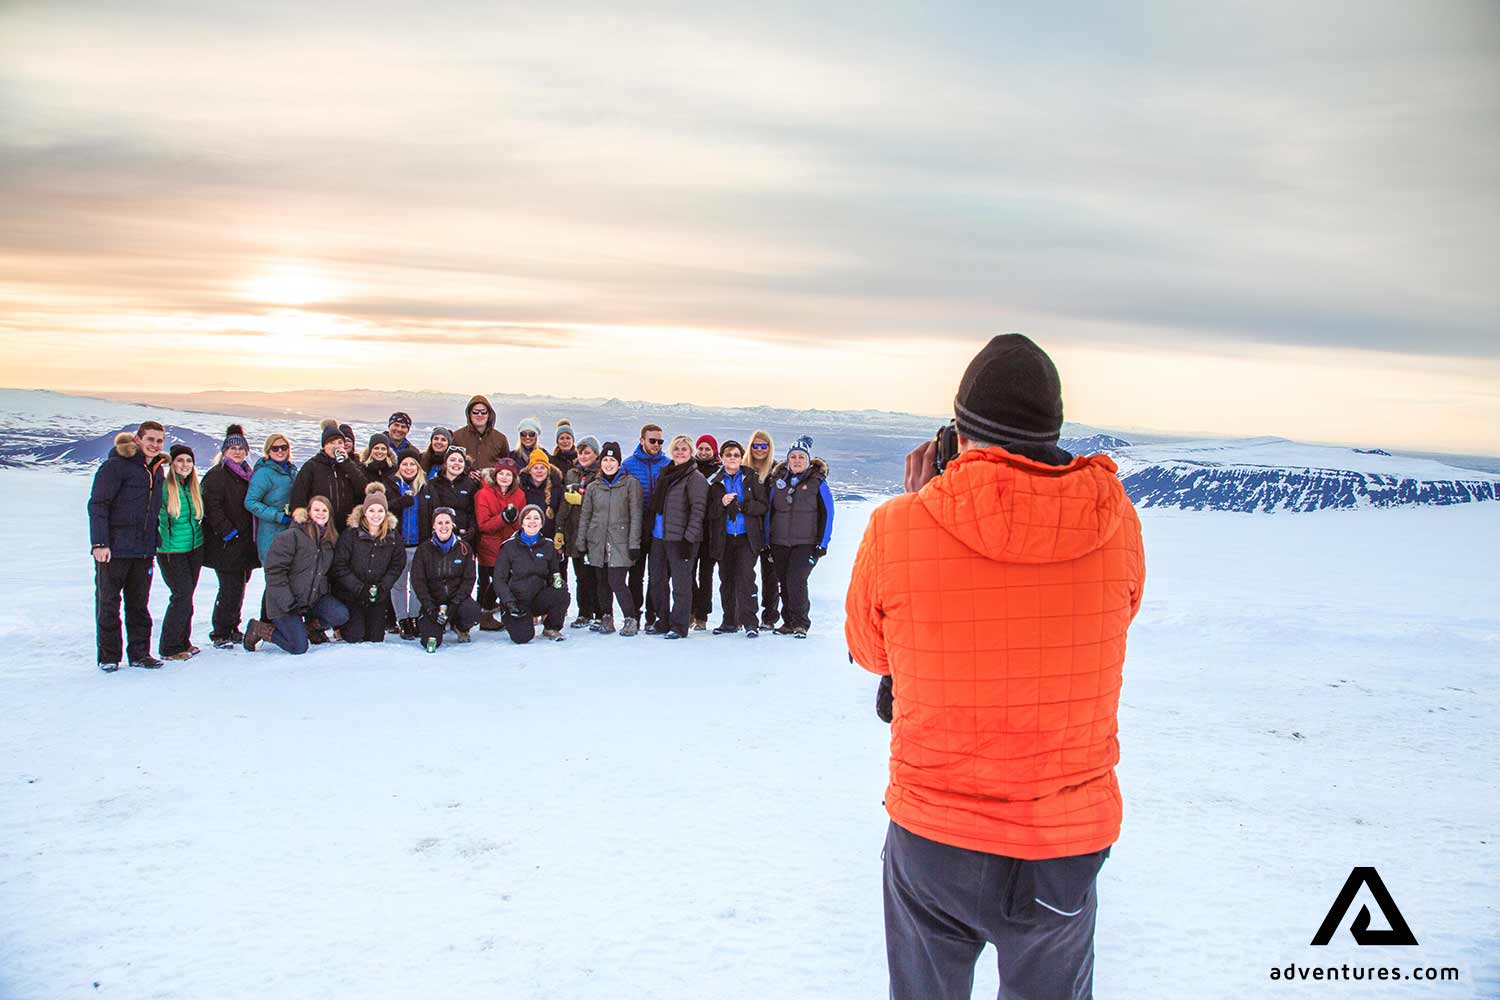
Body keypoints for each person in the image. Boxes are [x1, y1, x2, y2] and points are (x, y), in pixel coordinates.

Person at [845, 334, 1147, 1000]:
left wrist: (921, 503)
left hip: (935, 832)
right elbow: (1116, 618)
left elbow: (872, 651)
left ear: (959, 436)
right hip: (1063, 842)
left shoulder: (899, 526)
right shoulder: (1118, 523)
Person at [88, 421, 166, 670]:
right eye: (150, 439)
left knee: (139, 605)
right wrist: (100, 543)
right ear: (137, 439)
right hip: (114, 549)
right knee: (109, 603)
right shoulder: (115, 466)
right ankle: (109, 657)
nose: (154, 445)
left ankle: (140, 654)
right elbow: (98, 505)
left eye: (159, 441)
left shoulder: (156, 470)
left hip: (143, 550)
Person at [243, 495, 350, 654]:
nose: (320, 513)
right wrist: (288, 602)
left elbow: (324, 573)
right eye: (316, 510)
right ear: (308, 512)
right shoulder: (291, 536)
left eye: (324, 510)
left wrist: (322, 594)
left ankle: (307, 629)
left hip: (312, 599)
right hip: (285, 602)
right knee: (298, 647)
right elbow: (274, 573)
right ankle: (259, 629)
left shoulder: (329, 540)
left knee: (340, 615)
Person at [765, 435, 833, 638]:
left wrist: (823, 543)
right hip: (779, 542)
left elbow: (828, 514)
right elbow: (770, 512)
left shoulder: (818, 483)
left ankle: (801, 622)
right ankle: (788, 622)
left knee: (796, 579)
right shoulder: (778, 482)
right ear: (787, 460)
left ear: (808, 460)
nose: (796, 460)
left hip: (806, 543)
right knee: (784, 582)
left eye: (801, 457)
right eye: (793, 457)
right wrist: (767, 541)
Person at [201, 425, 260, 649]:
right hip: (226, 543)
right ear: (224, 451)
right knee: (229, 587)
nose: (237, 452)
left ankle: (232, 626)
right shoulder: (217, 475)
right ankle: (220, 632)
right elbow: (211, 507)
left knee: (239, 585)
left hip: (244, 543)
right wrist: (228, 532)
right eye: (232, 448)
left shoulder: (247, 474)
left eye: (241, 448)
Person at [645, 434, 708, 639]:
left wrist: (689, 539)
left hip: (681, 539)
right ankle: (662, 621)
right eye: (677, 449)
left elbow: (698, 511)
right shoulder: (667, 473)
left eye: (684, 449)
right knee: (657, 581)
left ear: (691, 452)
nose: (680, 452)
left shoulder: (694, 478)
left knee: (681, 584)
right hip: (659, 536)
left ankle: (679, 625)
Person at [577, 441, 642, 636]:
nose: (608, 464)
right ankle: (607, 617)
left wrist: (634, 543)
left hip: (620, 542)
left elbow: (636, 515)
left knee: (617, 581)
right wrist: (582, 542)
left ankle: (630, 618)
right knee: (602, 582)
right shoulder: (594, 487)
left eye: (612, 460)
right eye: (605, 459)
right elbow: (586, 516)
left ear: (619, 463)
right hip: (597, 541)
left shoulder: (630, 484)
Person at [705, 440, 768, 637]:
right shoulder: (714, 481)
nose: (732, 458)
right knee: (726, 580)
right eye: (728, 454)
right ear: (722, 458)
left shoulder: (751, 477)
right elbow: (708, 512)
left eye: (736, 455)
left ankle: (750, 622)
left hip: (746, 537)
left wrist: (745, 506)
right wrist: (721, 503)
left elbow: (763, 505)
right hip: (723, 538)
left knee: (746, 578)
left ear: (741, 458)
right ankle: (729, 621)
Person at [331, 484, 405, 643]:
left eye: (380, 510)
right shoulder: (351, 534)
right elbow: (340, 565)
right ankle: (342, 627)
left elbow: (397, 564)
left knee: (375, 638)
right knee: (355, 636)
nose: (376, 515)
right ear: (364, 512)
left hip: (378, 595)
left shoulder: (393, 536)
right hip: (353, 594)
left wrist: (383, 586)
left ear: (386, 513)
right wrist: (359, 588)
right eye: (371, 510)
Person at [154, 444, 206, 661]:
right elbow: (159, 519)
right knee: (181, 596)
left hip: (194, 549)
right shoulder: (166, 488)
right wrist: (162, 545)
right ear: (172, 463)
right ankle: (169, 647)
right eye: (180, 460)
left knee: (187, 597)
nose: (185, 465)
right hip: (172, 551)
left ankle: (183, 641)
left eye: (188, 461)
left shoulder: (192, 487)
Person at [491, 505, 569, 644]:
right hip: (516, 602)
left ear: (541, 523)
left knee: (562, 593)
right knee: (523, 637)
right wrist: (509, 602)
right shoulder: (509, 546)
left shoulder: (548, 546)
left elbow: (554, 573)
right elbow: (499, 579)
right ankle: (515, 619)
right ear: (522, 523)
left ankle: (551, 627)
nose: (532, 521)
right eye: (528, 518)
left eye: (536, 518)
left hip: (538, 598)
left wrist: (557, 582)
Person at [409, 507, 481, 652]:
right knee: (430, 641)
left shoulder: (464, 548)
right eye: (439, 523)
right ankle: (437, 625)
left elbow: (469, 579)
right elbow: (418, 581)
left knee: (472, 613)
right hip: (433, 602)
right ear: (433, 526)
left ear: (453, 525)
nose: (443, 526)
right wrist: (430, 607)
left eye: (447, 522)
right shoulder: (424, 549)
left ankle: (460, 626)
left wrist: (455, 604)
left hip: (456, 600)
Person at [623, 423, 668, 629]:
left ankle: (653, 614)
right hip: (636, 527)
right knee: (636, 574)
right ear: (642, 440)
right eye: (652, 440)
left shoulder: (668, 464)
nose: (656, 444)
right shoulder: (629, 465)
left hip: (659, 526)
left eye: (660, 441)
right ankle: (634, 614)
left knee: (656, 574)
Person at [556, 435, 600, 628]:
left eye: (587, 452)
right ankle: (584, 612)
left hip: (594, 531)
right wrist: (560, 529)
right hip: (574, 530)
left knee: (596, 575)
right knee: (581, 575)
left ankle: (600, 612)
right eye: (581, 452)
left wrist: (583, 500)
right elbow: (565, 504)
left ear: (596, 454)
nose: (583, 455)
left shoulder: (600, 474)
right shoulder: (572, 473)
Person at [291, 422, 370, 527]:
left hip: (345, 525)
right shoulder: (312, 466)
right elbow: (299, 495)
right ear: (324, 446)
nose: (336, 446)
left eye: (340, 442)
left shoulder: (350, 465)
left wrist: (347, 464)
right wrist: (303, 519)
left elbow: (363, 489)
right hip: (319, 524)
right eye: (331, 443)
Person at [474, 457, 525, 617]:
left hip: (510, 546)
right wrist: (503, 518)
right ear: (495, 475)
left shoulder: (519, 495)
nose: (504, 477)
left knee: (508, 579)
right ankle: (484, 610)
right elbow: (483, 525)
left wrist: (513, 518)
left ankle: (497, 609)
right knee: (493, 581)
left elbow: (521, 523)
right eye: (501, 473)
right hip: (489, 547)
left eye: (508, 474)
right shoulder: (483, 494)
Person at [744, 429, 779, 629]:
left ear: (769, 448)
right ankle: (746, 615)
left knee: (770, 576)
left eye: (763, 446)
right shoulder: (742, 467)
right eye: (755, 446)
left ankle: (770, 617)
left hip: (770, 530)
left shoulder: (776, 470)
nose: (759, 450)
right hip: (747, 530)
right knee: (746, 575)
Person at [389, 453, 426, 639]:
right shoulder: (391, 485)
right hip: (398, 545)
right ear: (399, 466)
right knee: (398, 584)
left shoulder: (425, 487)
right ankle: (402, 619)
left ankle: (414, 617)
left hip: (419, 544)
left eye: (413, 464)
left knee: (417, 583)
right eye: (405, 463)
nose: (409, 467)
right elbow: (383, 508)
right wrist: (400, 502)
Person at [245, 432, 296, 566]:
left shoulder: (291, 470)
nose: (280, 451)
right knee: (275, 579)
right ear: (268, 451)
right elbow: (250, 502)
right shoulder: (264, 473)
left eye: (283, 447)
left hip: (290, 530)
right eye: (275, 448)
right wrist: (277, 516)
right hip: (271, 533)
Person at [690, 434, 722, 630]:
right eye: (700, 448)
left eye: (707, 449)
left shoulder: (719, 471)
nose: (703, 452)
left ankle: (702, 615)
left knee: (706, 575)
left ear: (714, 451)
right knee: (689, 573)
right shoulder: (690, 468)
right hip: (693, 529)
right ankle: (691, 610)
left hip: (710, 531)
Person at [419, 447, 477, 544]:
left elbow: (473, 512)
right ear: (445, 463)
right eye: (452, 460)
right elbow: (427, 512)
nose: (456, 463)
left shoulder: (470, 485)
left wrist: (472, 529)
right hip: (438, 535)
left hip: (463, 536)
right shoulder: (433, 484)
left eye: (460, 461)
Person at [451, 396, 511, 472]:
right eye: (475, 412)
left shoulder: (500, 439)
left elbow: (507, 466)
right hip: (463, 482)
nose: (480, 415)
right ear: (469, 414)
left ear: (489, 414)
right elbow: (449, 463)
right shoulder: (457, 437)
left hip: (491, 482)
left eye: (483, 412)